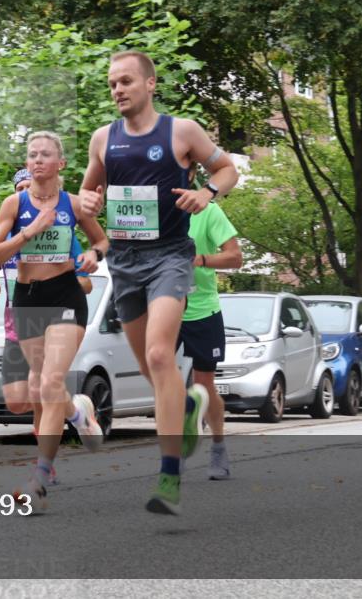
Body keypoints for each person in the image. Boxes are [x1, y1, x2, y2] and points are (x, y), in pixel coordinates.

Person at [79, 50, 239, 515]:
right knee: (154, 373)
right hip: (125, 262)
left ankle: (169, 477)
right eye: (112, 83)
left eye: (126, 81)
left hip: (170, 256)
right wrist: (88, 204)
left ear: (150, 84)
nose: (118, 89)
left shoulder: (181, 131)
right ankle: (186, 406)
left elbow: (227, 169)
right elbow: (88, 192)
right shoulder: (103, 138)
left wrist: (207, 192)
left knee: (157, 354)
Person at [0, 131, 110, 510]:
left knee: (51, 381)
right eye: (32, 154)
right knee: (40, 388)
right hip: (27, 299)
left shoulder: (73, 204)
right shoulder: (14, 203)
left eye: (45, 154)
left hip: (66, 296)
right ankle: (77, 411)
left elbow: (102, 241)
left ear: (61, 164)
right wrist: (29, 232)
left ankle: (39, 478)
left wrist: (92, 256)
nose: (37, 160)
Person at [180, 172, 242, 480]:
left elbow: (235, 257)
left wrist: (200, 260)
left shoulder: (208, 211)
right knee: (162, 378)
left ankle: (218, 445)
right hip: (165, 307)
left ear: (190, 173)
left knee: (204, 384)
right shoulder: (154, 211)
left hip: (202, 309)